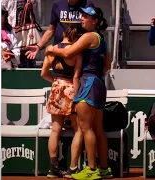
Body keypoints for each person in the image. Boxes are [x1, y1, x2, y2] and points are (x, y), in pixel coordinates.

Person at [46, 6, 112, 179]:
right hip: (98, 83)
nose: (82, 18)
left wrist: (51, 49)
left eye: (86, 16)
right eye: (82, 15)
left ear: (95, 21)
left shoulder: (89, 36)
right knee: (98, 129)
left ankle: (91, 169)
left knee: (86, 128)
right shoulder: (102, 39)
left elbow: (68, 52)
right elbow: (107, 65)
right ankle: (104, 169)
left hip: (88, 83)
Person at [41, 25, 83, 178]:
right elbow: (76, 77)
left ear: (64, 33)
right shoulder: (76, 52)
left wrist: (56, 81)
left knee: (55, 130)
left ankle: (53, 169)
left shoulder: (52, 50)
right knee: (78, 130)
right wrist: (76, 94)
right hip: (71, 90)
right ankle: (72, 169)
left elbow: (43, 74)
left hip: (56, 88)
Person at [26, 0, 94, 60]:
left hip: (80, 51)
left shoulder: (87, 5)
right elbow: (51, 29)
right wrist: (38, 46)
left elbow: (91, 27)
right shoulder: (58, 4)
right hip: (60, 50)